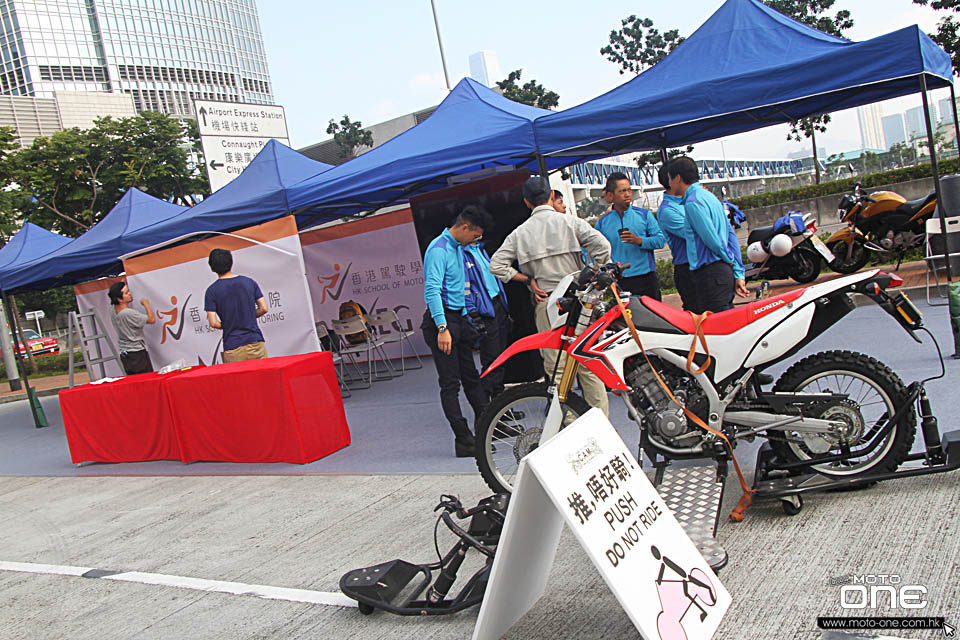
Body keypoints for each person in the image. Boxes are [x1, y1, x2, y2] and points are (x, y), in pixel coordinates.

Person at [490, 176, 612, 416]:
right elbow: (603, 248)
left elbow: (496, 265)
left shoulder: (519, 233)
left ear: (526, 202)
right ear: (550, 196)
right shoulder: (569, 222)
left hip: (547, 303)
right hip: (580, 301)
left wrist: (528, 280)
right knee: (588, 363)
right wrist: (595, 282)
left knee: (557, 369)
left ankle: (566, 422)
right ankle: (602, 423)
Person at [421, 205, 493, 457]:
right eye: (475, 236)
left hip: (458, 319)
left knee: (471, 377)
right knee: (450, 383)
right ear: (465, 228)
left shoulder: (457, 249)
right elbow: (432, 291)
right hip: (441, 321)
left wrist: (465, 319)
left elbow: (458, 288)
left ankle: (487, 428)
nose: (476, 240)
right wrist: (442, 327)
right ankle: (463, 439)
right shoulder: (438, 250)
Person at [668, 157, 749, 313]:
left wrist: (729, 261)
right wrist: (736, 270)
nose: (670, 184)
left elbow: (713, 240)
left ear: (678, 178)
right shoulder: (709, 197)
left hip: (711, 274)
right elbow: (730, 235)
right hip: (720, 273)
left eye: (670, 179)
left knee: (717, 329)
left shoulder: (693, 203)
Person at [595, 172, 666, 300]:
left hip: (646, 278)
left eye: (629, 190)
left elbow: (660, 241)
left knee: (653, 318)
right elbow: (594, 248)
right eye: (622, 191)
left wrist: (639, 241)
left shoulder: (645, 215)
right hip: (621, 282)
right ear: (611, 195)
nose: (627, 194)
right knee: (626, 319)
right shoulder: (602, 223)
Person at [464, 237, 509, 401]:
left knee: (500, 360)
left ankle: (501, 407)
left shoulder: (481, 249)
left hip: (498, 306)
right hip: (484, 312)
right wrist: (474, 315)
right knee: (492, 362)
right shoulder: (462, 254)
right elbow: (465, 288)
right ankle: (484, 407)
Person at [204, 248, 269, 362]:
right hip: (255, 342)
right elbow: (263, 308)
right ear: (231, 262)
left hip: (232, 346)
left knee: (238, 380)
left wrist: (230, 323)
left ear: (212, 268)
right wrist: (248, 317)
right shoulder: (249, 282)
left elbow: (213, 323)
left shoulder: (211, 291)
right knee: (264, 378)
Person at [656, 164, 699, 312]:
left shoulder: (690, 200)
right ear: (673, 180)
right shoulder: (668, 210)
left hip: (700, 264)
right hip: (687, 268)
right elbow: (694, 233)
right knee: (697, 313)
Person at [108, 281, 156, 374]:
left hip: (125, 353)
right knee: (146, 380)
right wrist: (146, 304)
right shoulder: (128, 313)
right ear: (120, 299)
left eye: (128, 291)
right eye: (126, 293)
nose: (130, 294)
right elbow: (151, 319)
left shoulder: (113, 310)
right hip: (136, 353)